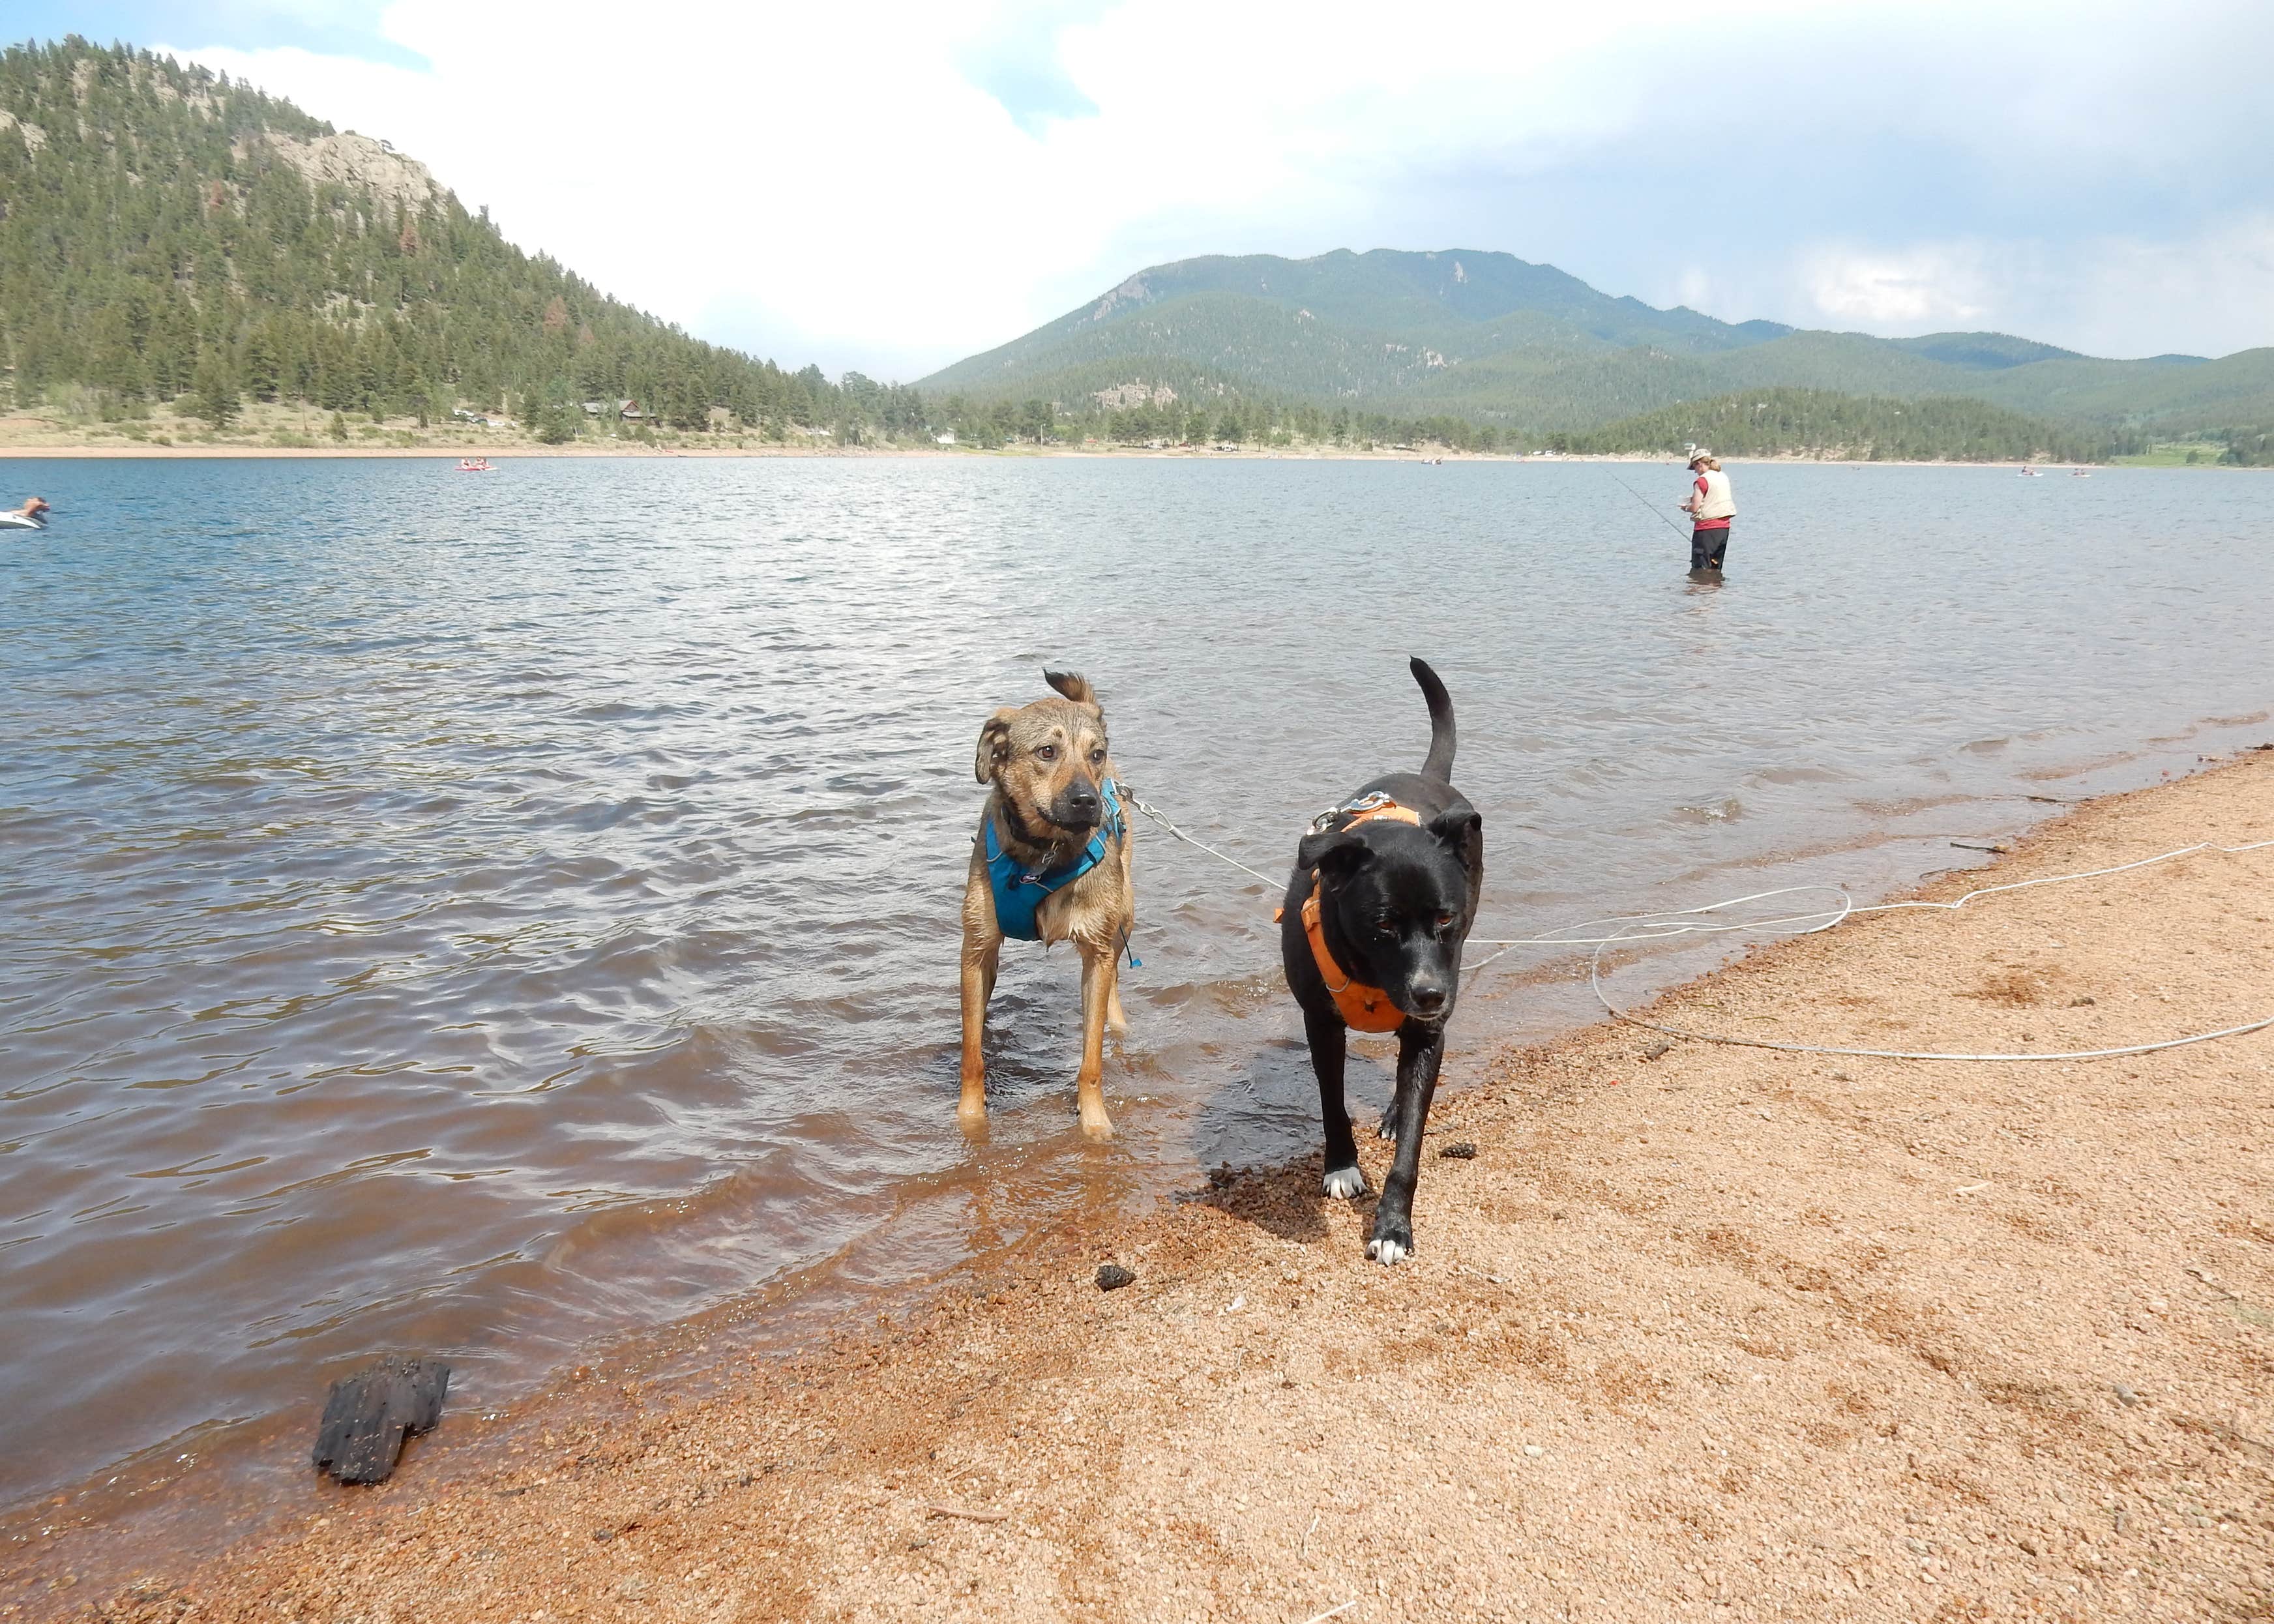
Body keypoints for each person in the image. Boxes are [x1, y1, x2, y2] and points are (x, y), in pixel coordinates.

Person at [1679, 451, 1734, 572]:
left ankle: (1702, 590)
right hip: (1724, 529)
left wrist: (1686, 508)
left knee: (1701, 569)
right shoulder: (1723, 476)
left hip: (1706, 530)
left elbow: (1695, 507)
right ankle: (1716, 590)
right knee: (1715, 567)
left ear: (1699, 464)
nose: (1695, 471)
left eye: (1694, 467)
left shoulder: (1702, 481)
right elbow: (1714, 496)